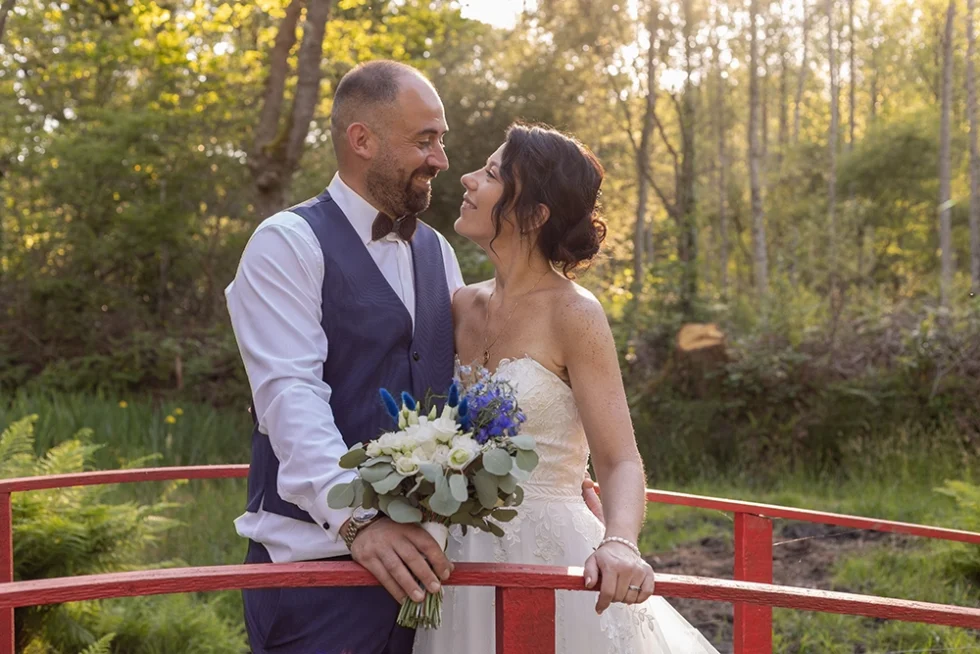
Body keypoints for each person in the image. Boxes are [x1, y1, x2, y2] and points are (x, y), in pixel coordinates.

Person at [226, 61, 604, 654]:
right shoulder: (286, 244)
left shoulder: (439, 254)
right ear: (362, 140)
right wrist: (357, 524)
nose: (442, 160)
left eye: (442, 141)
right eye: (425, 140)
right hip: (316, 573)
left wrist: (552, 470)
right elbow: (288, 397)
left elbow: (473, 387)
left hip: (431, 579)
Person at [414, 123, 720, 653]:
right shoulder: (460, 305)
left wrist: (620, 543)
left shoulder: (576, 314)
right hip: (458, 555)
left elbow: (620, 458)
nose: (465, 178)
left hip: (553, 554)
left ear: (533, 214)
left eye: (489, 174)